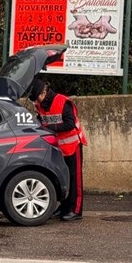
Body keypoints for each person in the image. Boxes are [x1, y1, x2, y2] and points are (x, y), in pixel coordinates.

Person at [29, 79, 87, 221]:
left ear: (45, 92)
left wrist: (49, 128)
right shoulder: (40, 105)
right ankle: (64, 207)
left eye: (38, 97)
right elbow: (41, 120)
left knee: (74, 179)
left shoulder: (63, 102)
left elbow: (69, 124)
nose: (37, 101)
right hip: (58, 147)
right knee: (62, 178)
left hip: (73, 144)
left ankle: (76, 210)